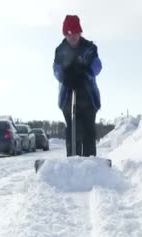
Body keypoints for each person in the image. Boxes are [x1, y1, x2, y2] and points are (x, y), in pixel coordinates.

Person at [52, 14, 102, 157]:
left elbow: (97, 66)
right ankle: (73, 163)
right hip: (68, 97)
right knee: (73, 131)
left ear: (79, 32)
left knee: (88, 131)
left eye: (75, 33)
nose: (72, 37)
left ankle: (89, 164)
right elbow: (56, 69)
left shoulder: (90, 48)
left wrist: (87, 73)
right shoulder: (60, 50)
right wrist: (65, 77)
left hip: (88, 96)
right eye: (68, 34)